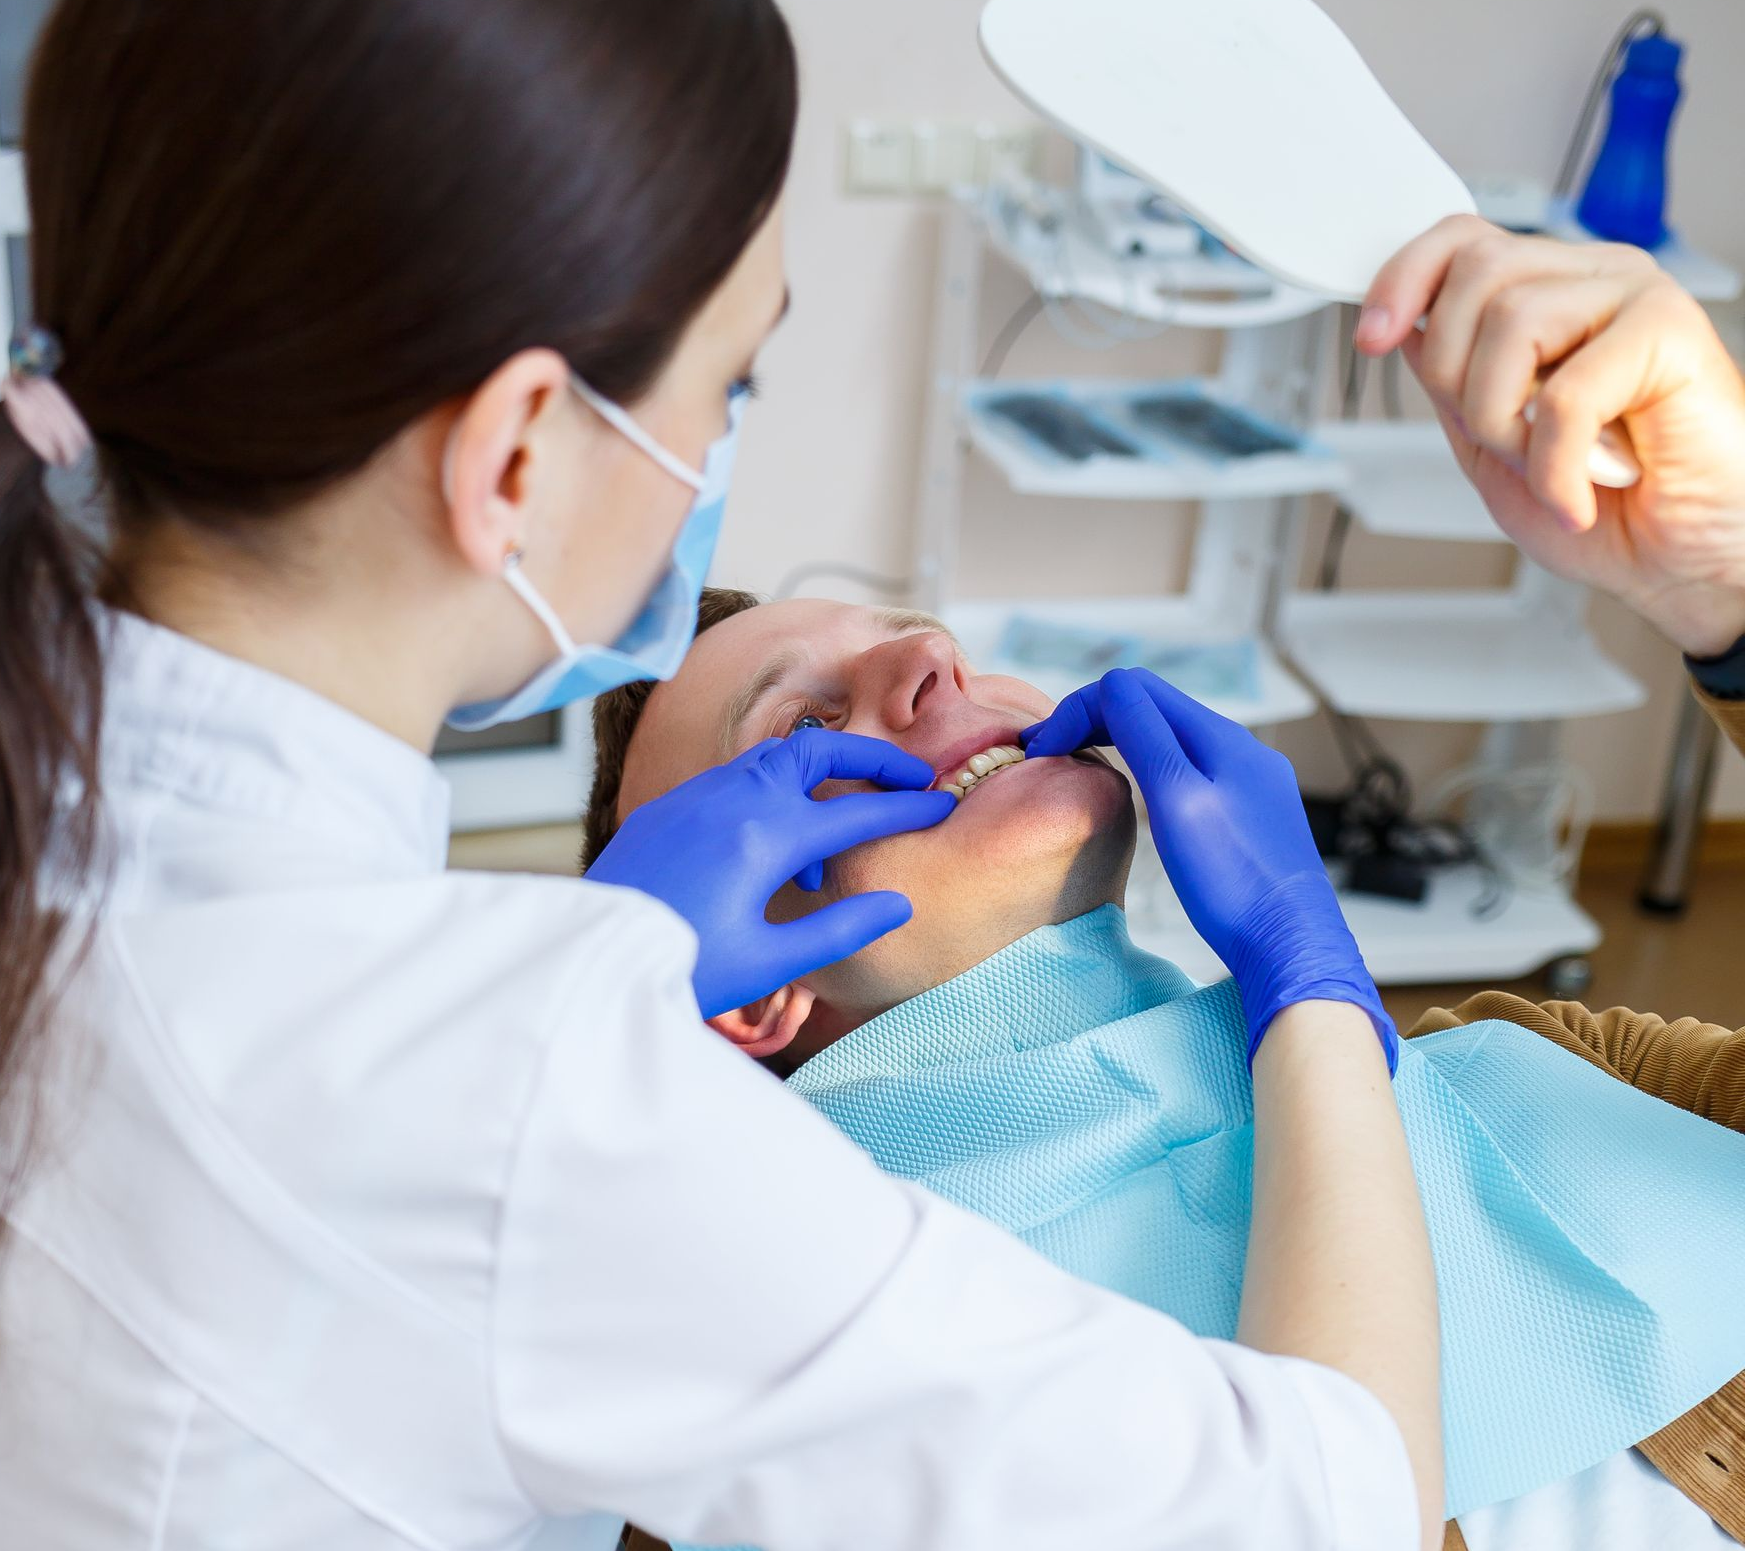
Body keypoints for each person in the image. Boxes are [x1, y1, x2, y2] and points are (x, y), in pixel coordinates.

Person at [0, 0, 1441, 1549]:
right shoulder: (527, 1100)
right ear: (519, 451)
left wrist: (586, 976)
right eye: (729, 386)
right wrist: (1314, 981)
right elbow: (1339, 1508)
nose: (930, 661)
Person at [581, 588, 1745, 1549]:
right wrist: (1313, 997)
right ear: (747, 989)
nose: (930, 654)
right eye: (797, 733)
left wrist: (1731, 606)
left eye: (913, 626)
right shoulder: (800, 1431)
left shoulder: (1536, 1065)